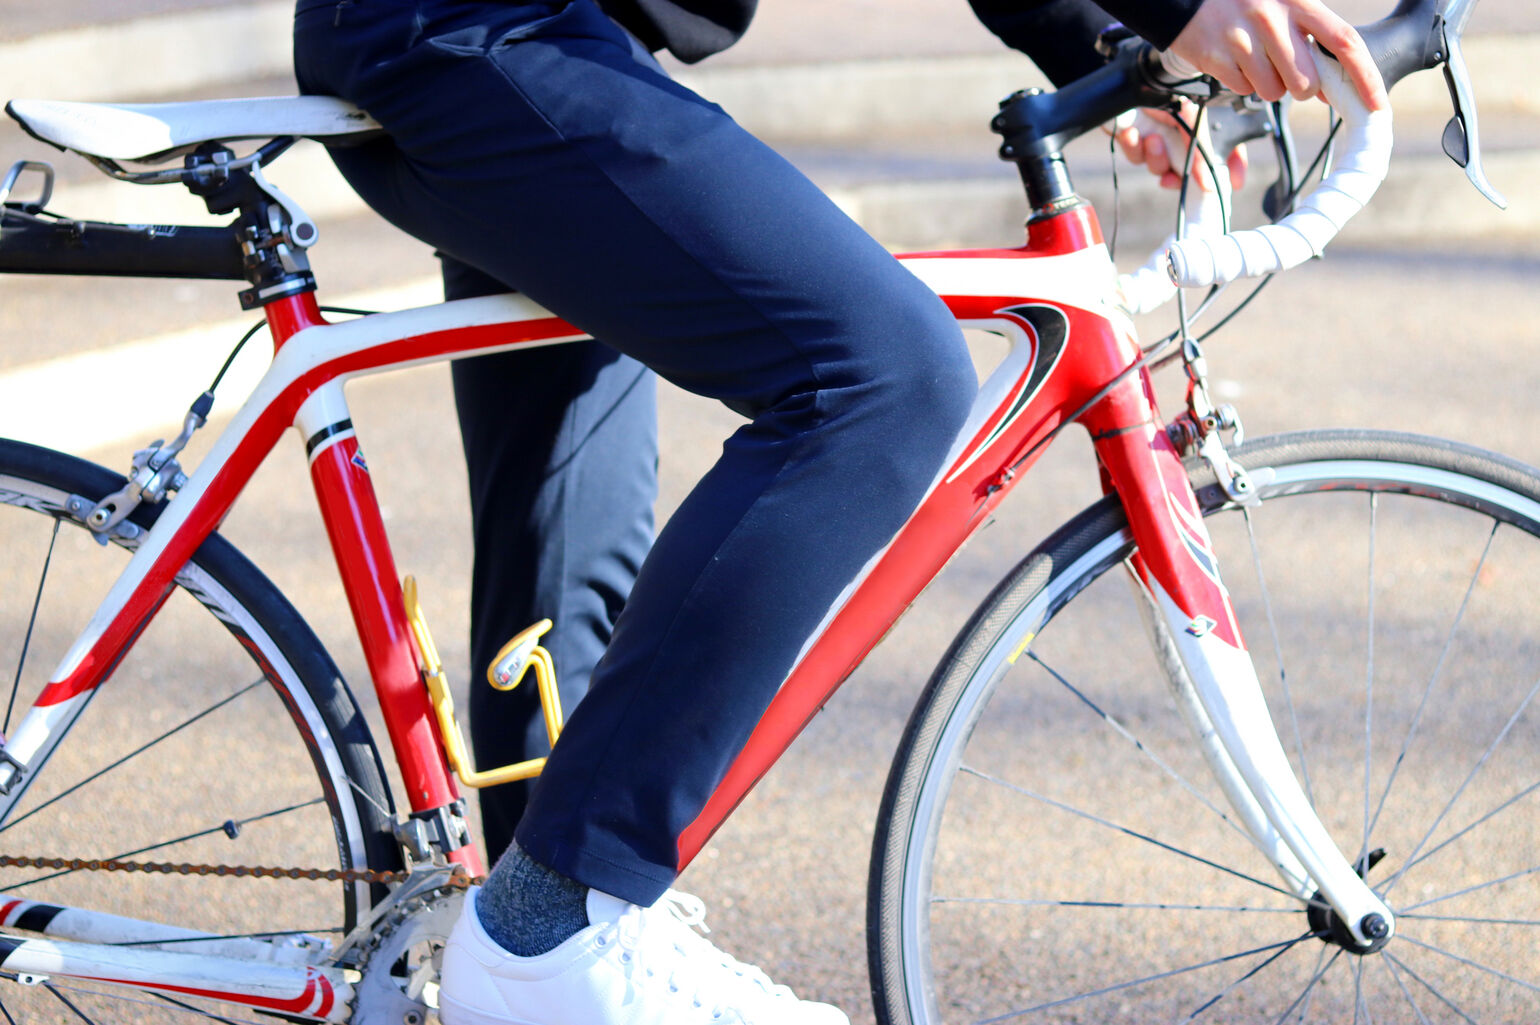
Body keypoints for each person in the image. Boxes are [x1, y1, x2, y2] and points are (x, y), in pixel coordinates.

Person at [291, 1, 1386, 1023]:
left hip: (506, 35)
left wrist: (1105, 45)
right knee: (884, 373)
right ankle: (548, 926)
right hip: (482, 34)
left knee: (575, 552)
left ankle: (549, 948)